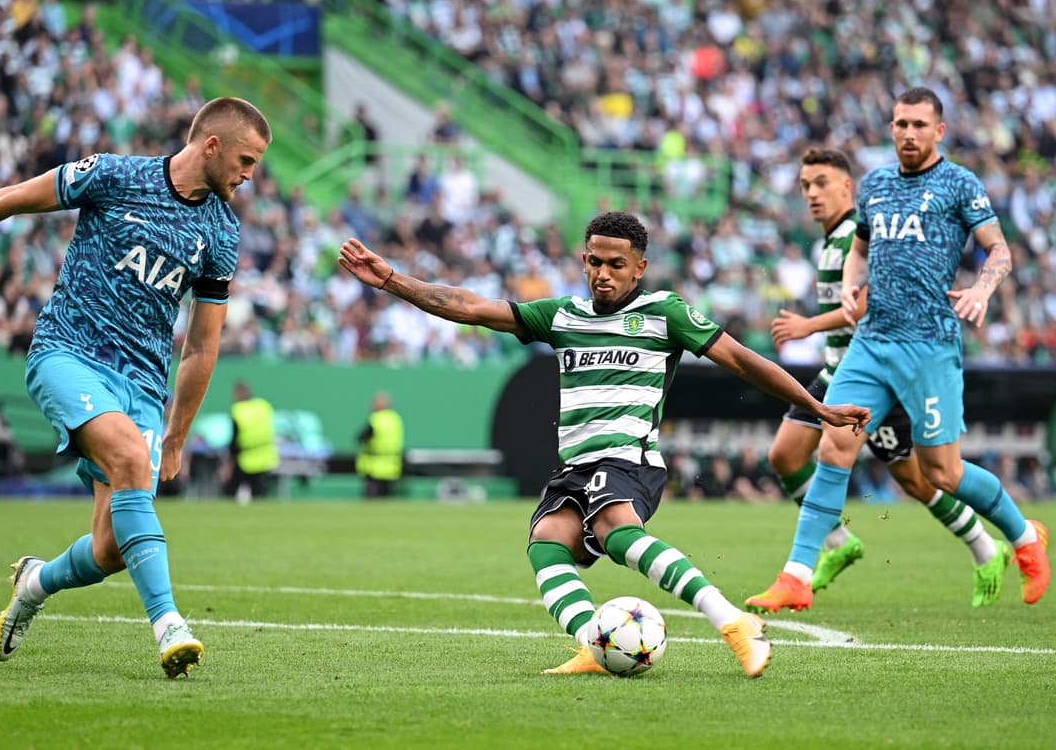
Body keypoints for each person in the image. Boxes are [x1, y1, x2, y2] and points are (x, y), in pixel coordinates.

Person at [338, 212, 870, 678]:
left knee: (616, 531)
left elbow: (742, 360)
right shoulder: (562, 315)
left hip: (629, 458)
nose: (603, 273)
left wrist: (817, 407)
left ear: (639, 267)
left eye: (617, 264)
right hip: (577, 465)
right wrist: (390, 280)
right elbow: (471, 307)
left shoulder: (666, 313)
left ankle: (733, 622)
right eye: (595, 261)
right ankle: (592, 647)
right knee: (547, 543)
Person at [0, 96, 272, 678]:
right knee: (125, 460)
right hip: (69, 354)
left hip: (142, 385)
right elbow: (11, 200)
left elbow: (200, 346)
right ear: (211, 145)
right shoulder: (114, 176)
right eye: (246, 160)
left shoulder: (221, 231)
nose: (250, 175)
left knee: (111, 548)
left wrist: (176, 435)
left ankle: (34, 584)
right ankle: (168, 624)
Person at [747, 88, 1051, 613]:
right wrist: (849, 279)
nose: (907, 133)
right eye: (899, 124)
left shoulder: (960, 183)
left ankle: (1024, 538)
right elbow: (860, 245)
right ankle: (796, 575)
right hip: (870, 345)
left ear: (939, 131)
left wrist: (981, 289)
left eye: (918, 124)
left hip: (930, 345)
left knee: (942, 474)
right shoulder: (877, 184)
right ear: (891, 129)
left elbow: (998, 248)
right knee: (833, 446)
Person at [227, 380, 278, 502]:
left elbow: (235, 440)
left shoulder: (238, 410)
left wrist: (229, 462)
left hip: (246, 457)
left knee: (231, 490)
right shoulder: (264, 405)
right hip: (266, 456)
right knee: (259, 493)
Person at [356, 390, 404, 498]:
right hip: (392, 466)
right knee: (386, 500)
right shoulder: (395, 419)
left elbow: (362, 437)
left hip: (374, 467)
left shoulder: (376, 419)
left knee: (372, 502)